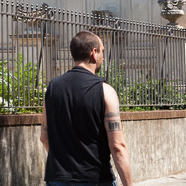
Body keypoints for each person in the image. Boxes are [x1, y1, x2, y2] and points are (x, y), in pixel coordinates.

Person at [41, 31, 133, 186]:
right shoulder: (105, 91)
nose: (103, 57)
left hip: (57, 178)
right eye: (102, 51)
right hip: (95, 178)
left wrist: (63, 163)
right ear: (94, 53)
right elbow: (117, 146)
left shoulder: (52, 89)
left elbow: (44, 137)